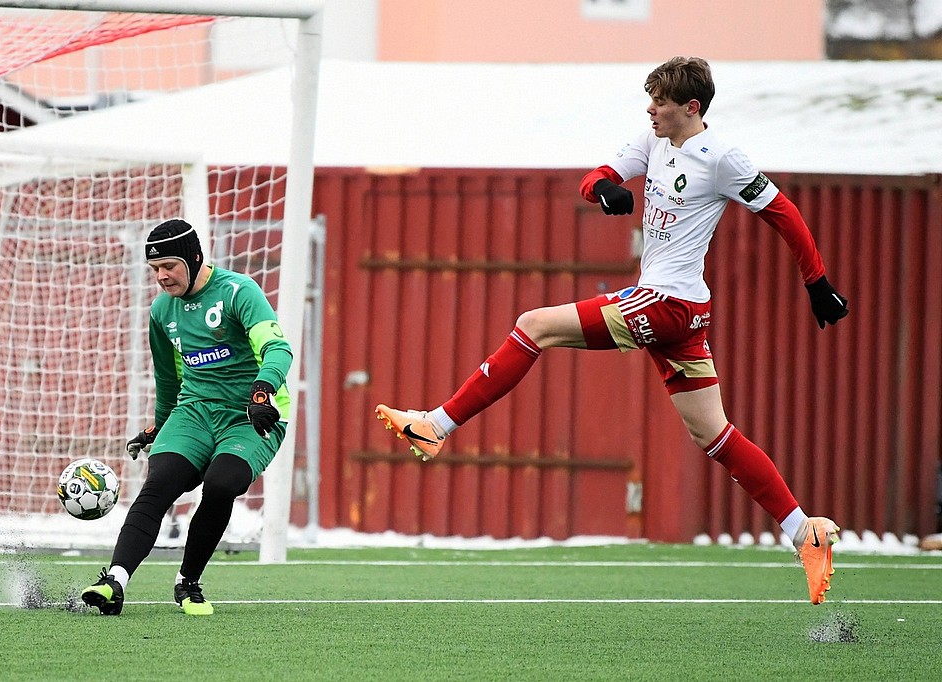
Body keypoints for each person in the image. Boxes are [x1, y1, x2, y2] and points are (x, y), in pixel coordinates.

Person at [375, 56, 849, 605]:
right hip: (683, 313)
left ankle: (436, 424)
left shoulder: (723, 157)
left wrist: (816, 281)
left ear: (691, 107)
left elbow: (782, 211)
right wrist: (604, 189)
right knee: (713, 434)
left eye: (660, 102)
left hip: (668, 303)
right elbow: (595, 175)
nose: (650, 110)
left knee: (534, 326)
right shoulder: (652, 141)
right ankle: (803, 530)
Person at [81, 218, 292, 616]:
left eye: (169, 266)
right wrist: (160, 425)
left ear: (194, 258)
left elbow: (278, 349)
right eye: (155, 269)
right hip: (193, 412)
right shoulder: (161, 310)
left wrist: (262, 390)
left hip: (250, 414)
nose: (161, 276)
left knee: (221, 483)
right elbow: (167, 378)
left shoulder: (239, 291)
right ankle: (114, 581)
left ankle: (187, 582)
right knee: (159, 484)